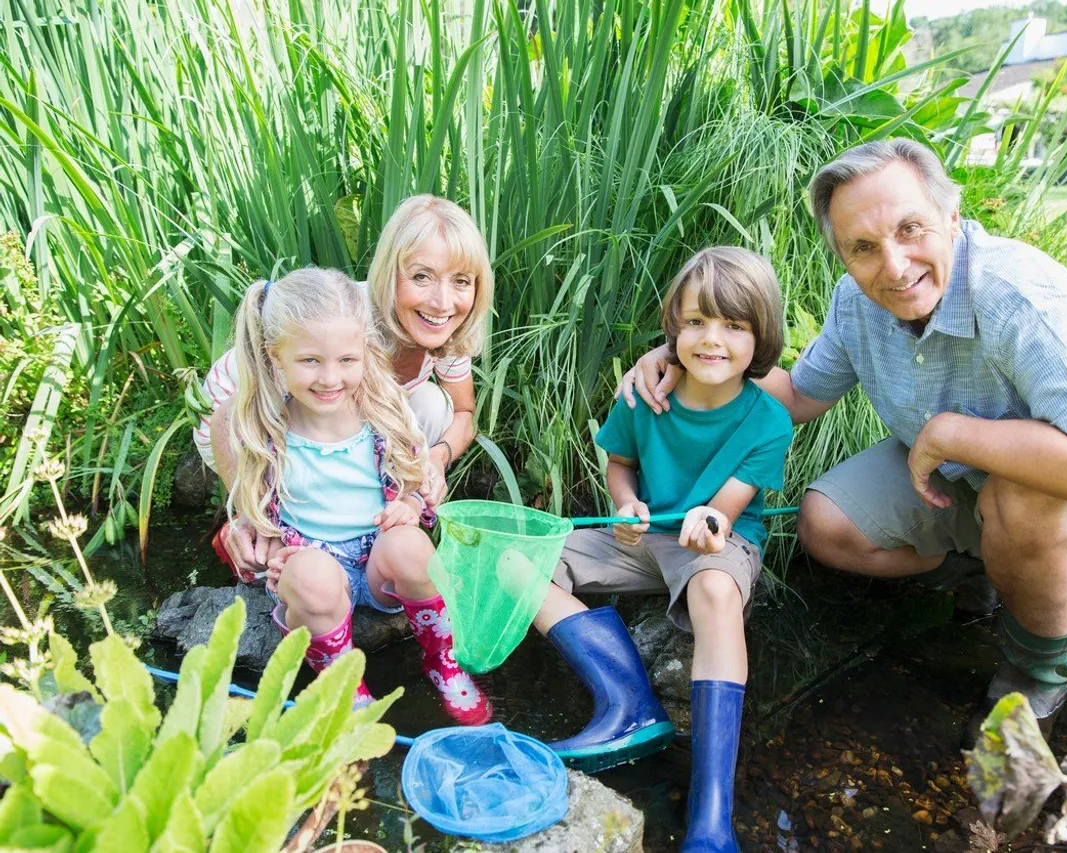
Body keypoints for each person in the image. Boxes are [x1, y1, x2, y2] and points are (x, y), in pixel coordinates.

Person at [620, 139, 1067, 733]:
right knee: (827, 523)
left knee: (1019, 498)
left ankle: (1036, 672)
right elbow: (795, 397)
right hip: (958, 480)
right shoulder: (858, 304)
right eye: (862, 248)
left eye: (911, 229)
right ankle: (993, 575)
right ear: (842, 255)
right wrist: (691, 358)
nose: (893, 266)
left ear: (952, 216)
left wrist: (951, 434)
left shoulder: (1022, 300)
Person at [533, 247, 793, 852]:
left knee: (713, 589)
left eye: (734, 326)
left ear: (762, 338)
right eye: (696, 321)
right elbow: (619, 464)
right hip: (642, 540)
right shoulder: (641, 397)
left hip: (713, 542)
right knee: (522, 563)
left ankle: (710, 815)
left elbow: (722, 516)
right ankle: (626, 702)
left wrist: (710, 523)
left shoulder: (768, 422)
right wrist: (624, 505)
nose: (712, 340)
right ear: (673, 327)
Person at [226, 267, 491, 724]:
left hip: (376, 565)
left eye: (346, 360)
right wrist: (255, 533)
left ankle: (442, 663)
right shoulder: (265, 431)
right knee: (310, 577)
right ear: (276, 358)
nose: (330, 378)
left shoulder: (383, 417)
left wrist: (409, 504)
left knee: (413, 547)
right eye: (310, 361)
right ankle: (344, 685)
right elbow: (254, 506)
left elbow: (415, 490)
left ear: (364, 353)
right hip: (311, 565)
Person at [197, 195, 493, 581]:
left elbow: (464, 414)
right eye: (421, 276)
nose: (442, 301)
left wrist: (434, 459)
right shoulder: (343, 318)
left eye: (461, 281)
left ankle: (377, 545)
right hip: (247, 421)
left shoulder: (447, 326)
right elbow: (229, 412)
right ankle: (270, 535)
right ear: (390, 273)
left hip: (348, 418)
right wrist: (248, 512)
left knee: (432, 405)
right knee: (273, 528)